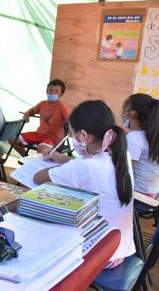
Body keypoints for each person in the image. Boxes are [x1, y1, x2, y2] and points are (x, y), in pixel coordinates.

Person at [34, 100, 134, 268]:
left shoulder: (84, 166)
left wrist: (65, 164)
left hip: (99, 256)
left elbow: (38, 177)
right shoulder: (121, 154)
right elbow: (88, 166)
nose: (72, 138)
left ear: (83, 136)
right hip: (120, 249)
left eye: (72, 134)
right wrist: (63, 158)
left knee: (41, 231)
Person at [122, 93, 159, 198]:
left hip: (139, 196)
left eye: (124, 110)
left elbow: (127, 173)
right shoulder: (151, 135)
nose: (122, 114)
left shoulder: (134, 138)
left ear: (131, 114)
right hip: (152, 193)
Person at [13, 79, 71, 156]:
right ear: (46, 91)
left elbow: (71, 119)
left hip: (53, 138)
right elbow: (32, 110)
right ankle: (26, 158)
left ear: (61, 94)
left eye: (56, 91)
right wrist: (27, 113)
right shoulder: (42, 104)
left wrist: (71, 129)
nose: (53, 92)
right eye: (50, 90)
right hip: (38, 134)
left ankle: (35, 165)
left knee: (42, 151)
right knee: (13, 139)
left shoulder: (62, 106)